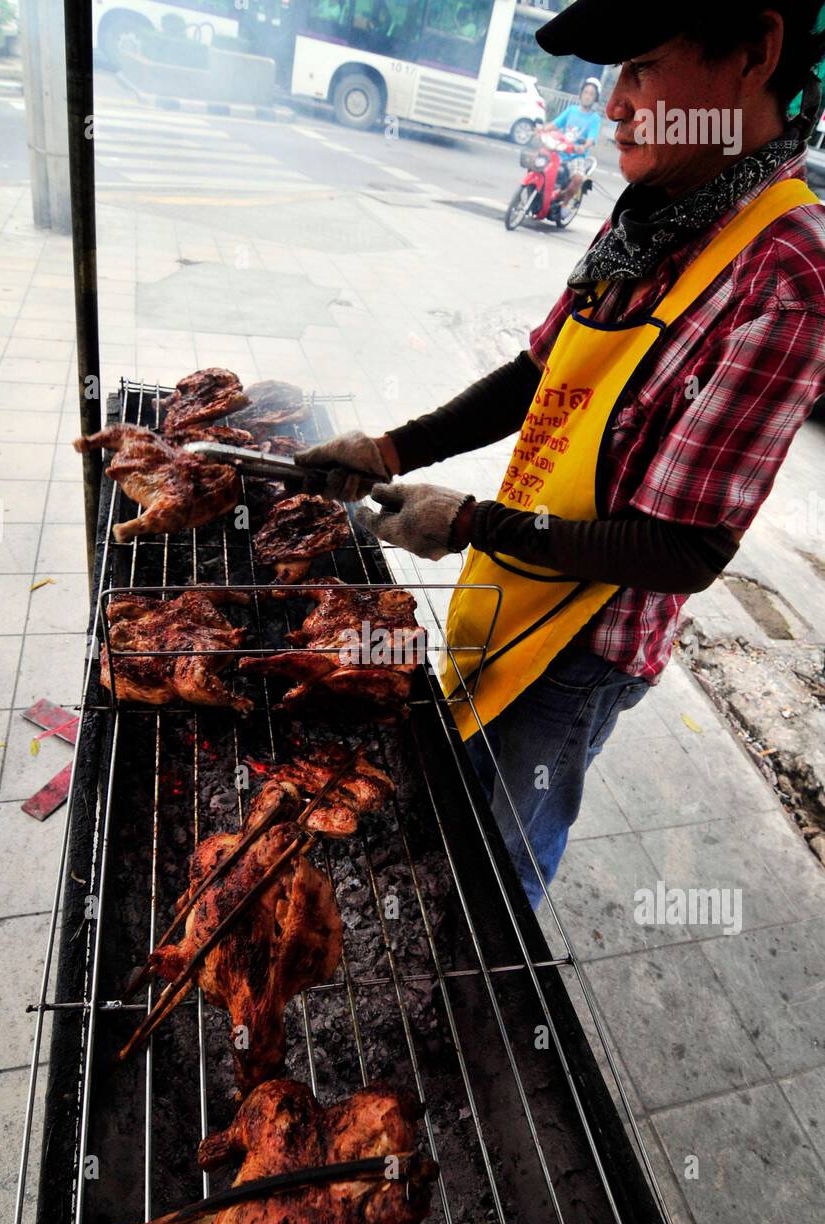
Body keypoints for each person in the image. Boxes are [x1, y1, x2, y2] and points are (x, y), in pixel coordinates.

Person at [295, 0, 825, 912]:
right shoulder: (652, 214)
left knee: (498, 867)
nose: (613, 106)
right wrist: (391, 446)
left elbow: (683, 550)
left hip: (584, 652)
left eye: (641, 69)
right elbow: (539, 371)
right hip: (515, 578)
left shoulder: (787, 277)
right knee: (443, 803)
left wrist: (464, 522)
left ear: (754, 55)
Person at [547, 76, 603, 205]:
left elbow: (591, 139)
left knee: (578, 178)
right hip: (559, 150)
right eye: (586, 92)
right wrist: (541, 130)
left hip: (576, 156)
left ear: (595, 98)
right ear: (581, 93)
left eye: (591, 94)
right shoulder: (571, 110)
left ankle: (565, 204)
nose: (587, 96)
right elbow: (555, 124)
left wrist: (583, 147)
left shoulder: (595, 119)